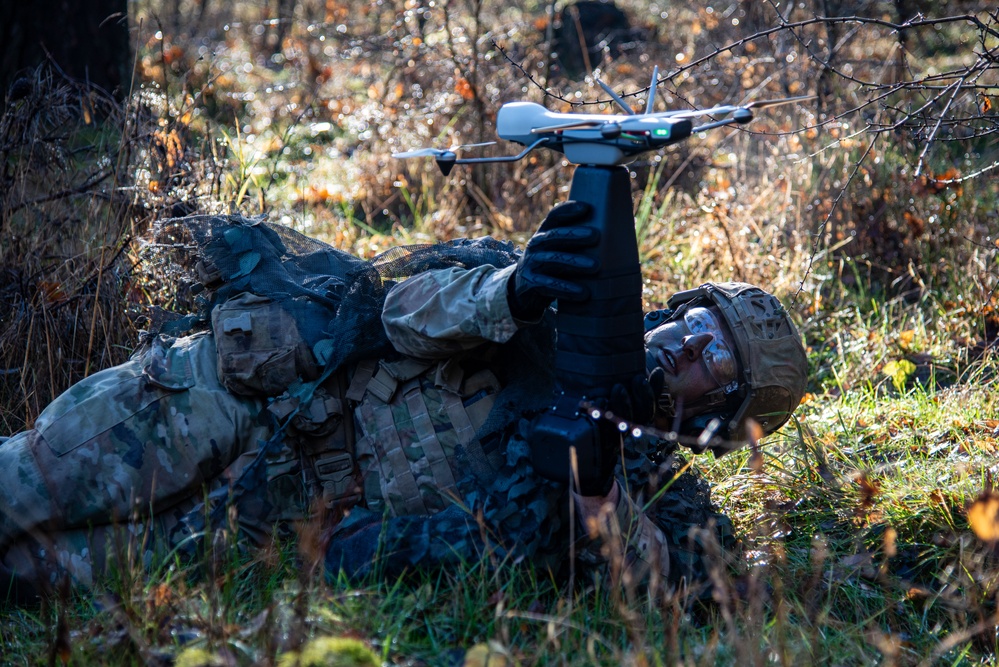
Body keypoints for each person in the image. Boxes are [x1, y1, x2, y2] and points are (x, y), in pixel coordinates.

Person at [0, 203, 808, 601]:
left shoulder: (660, 488)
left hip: (274, 523)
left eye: (711, 357)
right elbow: (400, 307)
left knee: (33, 573)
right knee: (20, 485)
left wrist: (602, 501)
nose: (683, 344)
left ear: (720, 412)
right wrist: (512, 291)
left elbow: (679, 589)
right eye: (693, 322)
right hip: (234, 397)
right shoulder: (561, 304)